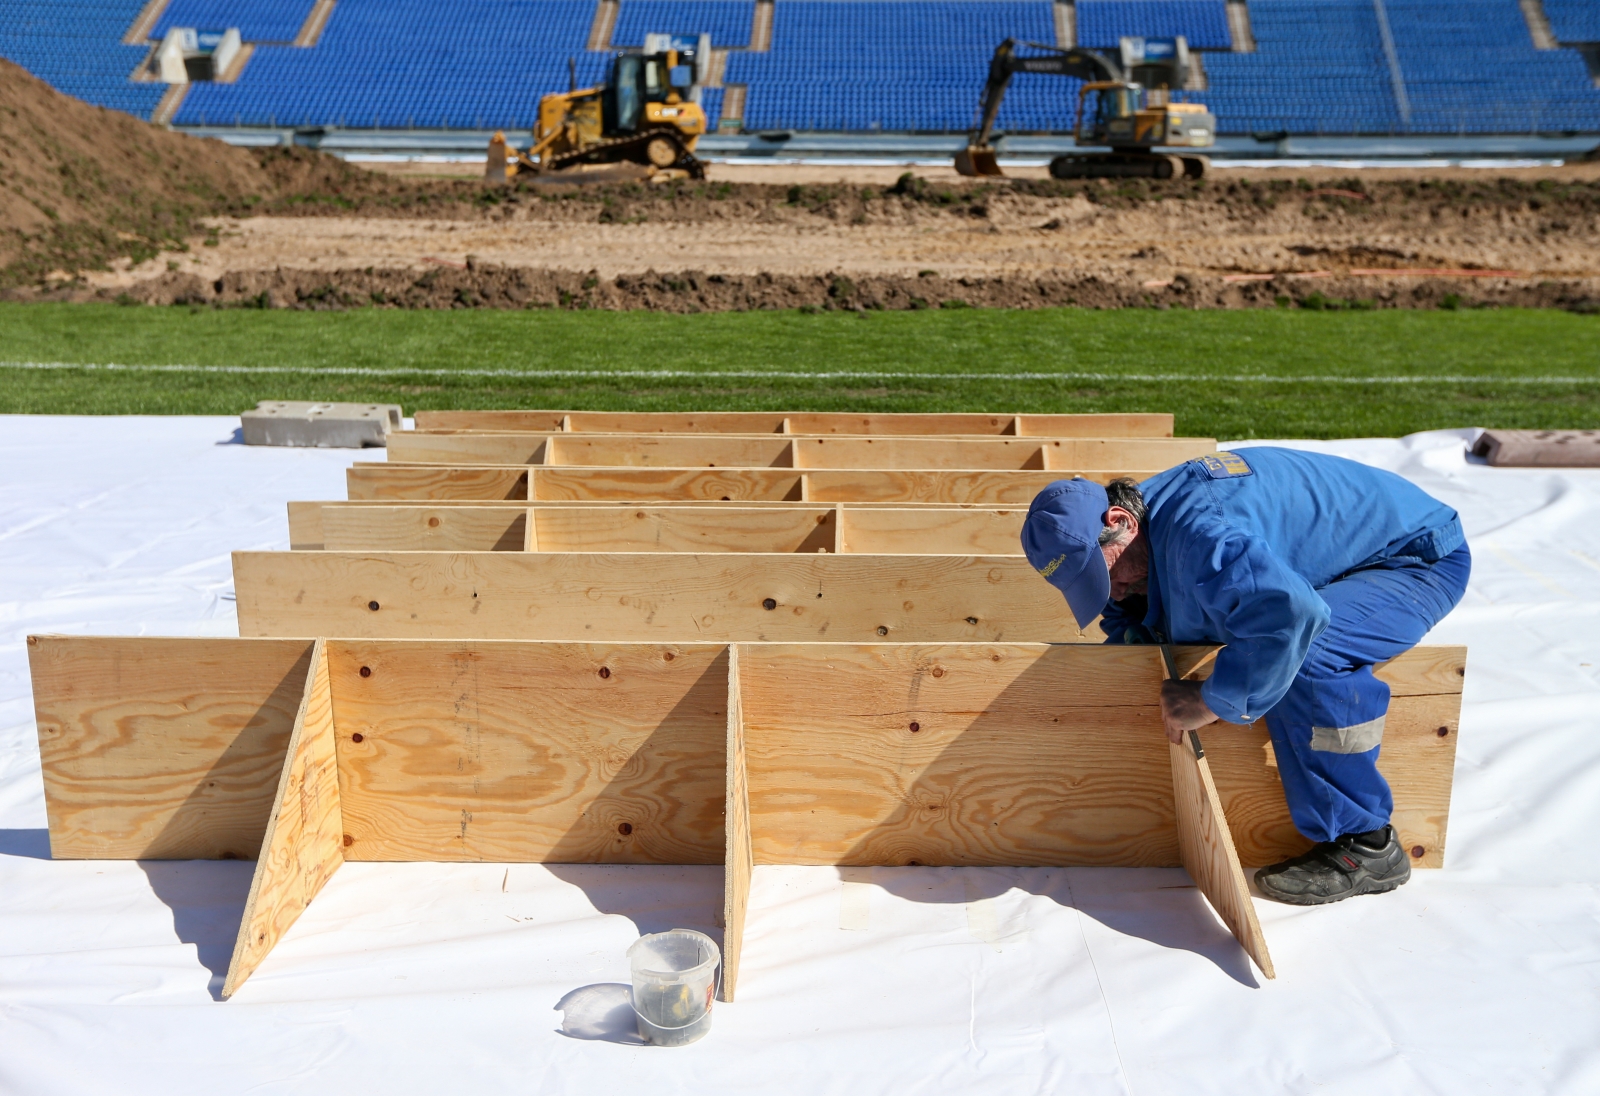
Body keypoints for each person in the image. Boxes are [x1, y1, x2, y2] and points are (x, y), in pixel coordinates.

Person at [1020, 448, 1470, 905]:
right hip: (1351, 550)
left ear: (1121, 520)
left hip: (1417, 557)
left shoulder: (1202, 534)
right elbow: (1139, 602)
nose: (1109, 590)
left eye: (1102, 573)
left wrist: (1212, 701)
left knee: (1310, 654)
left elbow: (1291, 617)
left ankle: (1367, 843)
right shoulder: (1141, 527)